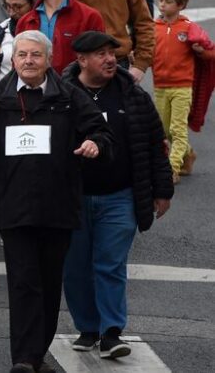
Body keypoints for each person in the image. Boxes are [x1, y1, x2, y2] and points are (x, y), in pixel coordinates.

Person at [0, 30, 111, 373]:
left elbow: (101, 133)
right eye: (22, 55)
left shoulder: (70, 98)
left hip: (57, 206)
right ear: (13, 61)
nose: (28, 61)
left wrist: (95, 145)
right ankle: (24, 359)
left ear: (49, 59)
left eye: (35, 55)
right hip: (14, 208)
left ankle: (35, 353)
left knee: (48, 282)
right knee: (23, 281)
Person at [61, 30, 173, 359]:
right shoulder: (62, 93)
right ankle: (88, 327)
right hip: (74, 198)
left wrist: (162, 188)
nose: (111, 59)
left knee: (109, 265)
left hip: (119, 197)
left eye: (113, 53)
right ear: (81, 60)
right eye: (101, 54)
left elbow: (155, 142)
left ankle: (112, 332)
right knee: (76, 267)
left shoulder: (132, 95)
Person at [152, 0, 215, 180]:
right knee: (164, 129)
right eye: (161, 0)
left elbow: (210, 53)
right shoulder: (154, 27)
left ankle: (172, 168)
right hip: (160, 86)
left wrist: (201, 51)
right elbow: (146, 51)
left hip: (182, 87)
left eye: (169, 2)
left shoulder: (189, 28)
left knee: (177, 129)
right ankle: (188, 154)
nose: (163, 5)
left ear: (180, 6)